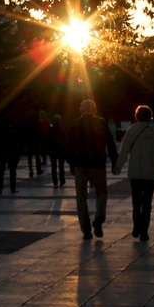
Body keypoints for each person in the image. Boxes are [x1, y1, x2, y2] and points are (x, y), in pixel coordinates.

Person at [112, 106, 154, 240]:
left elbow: (123, 151)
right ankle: (144, 231)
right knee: (147, 202)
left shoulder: (131, 130)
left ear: (137, 117)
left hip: (135, 171)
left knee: (136, 201)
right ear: (149, 117)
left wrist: (117, 167)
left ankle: (136, 226)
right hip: (151, 171)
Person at [65, 99, 116, 238]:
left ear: (81, 110)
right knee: (102, 193)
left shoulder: (75, 124)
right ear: (94, 109)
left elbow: (68, 146)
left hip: (80, 164)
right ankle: (99, 218)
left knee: (81, 198)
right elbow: (110, 143)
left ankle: (86, 229)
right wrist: (114, 161)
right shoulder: (101, 123)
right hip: (97, 163)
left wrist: (71, 163)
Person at [0, 114, 21, 193]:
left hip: (2, 155)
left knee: (1, 172)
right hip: (12, 155)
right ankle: (12, 188)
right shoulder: (14, 133)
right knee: (12, 172)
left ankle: (0, 188)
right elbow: (18, 146)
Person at [46, 114, 68, 187]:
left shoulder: (50, 130)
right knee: (61, 167)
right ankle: (62, 180)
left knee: (53, 166)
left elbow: (47, 141)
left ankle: (55, 182)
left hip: (52, 151)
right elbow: (65, 141)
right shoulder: (61, 130)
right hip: (60, 150)